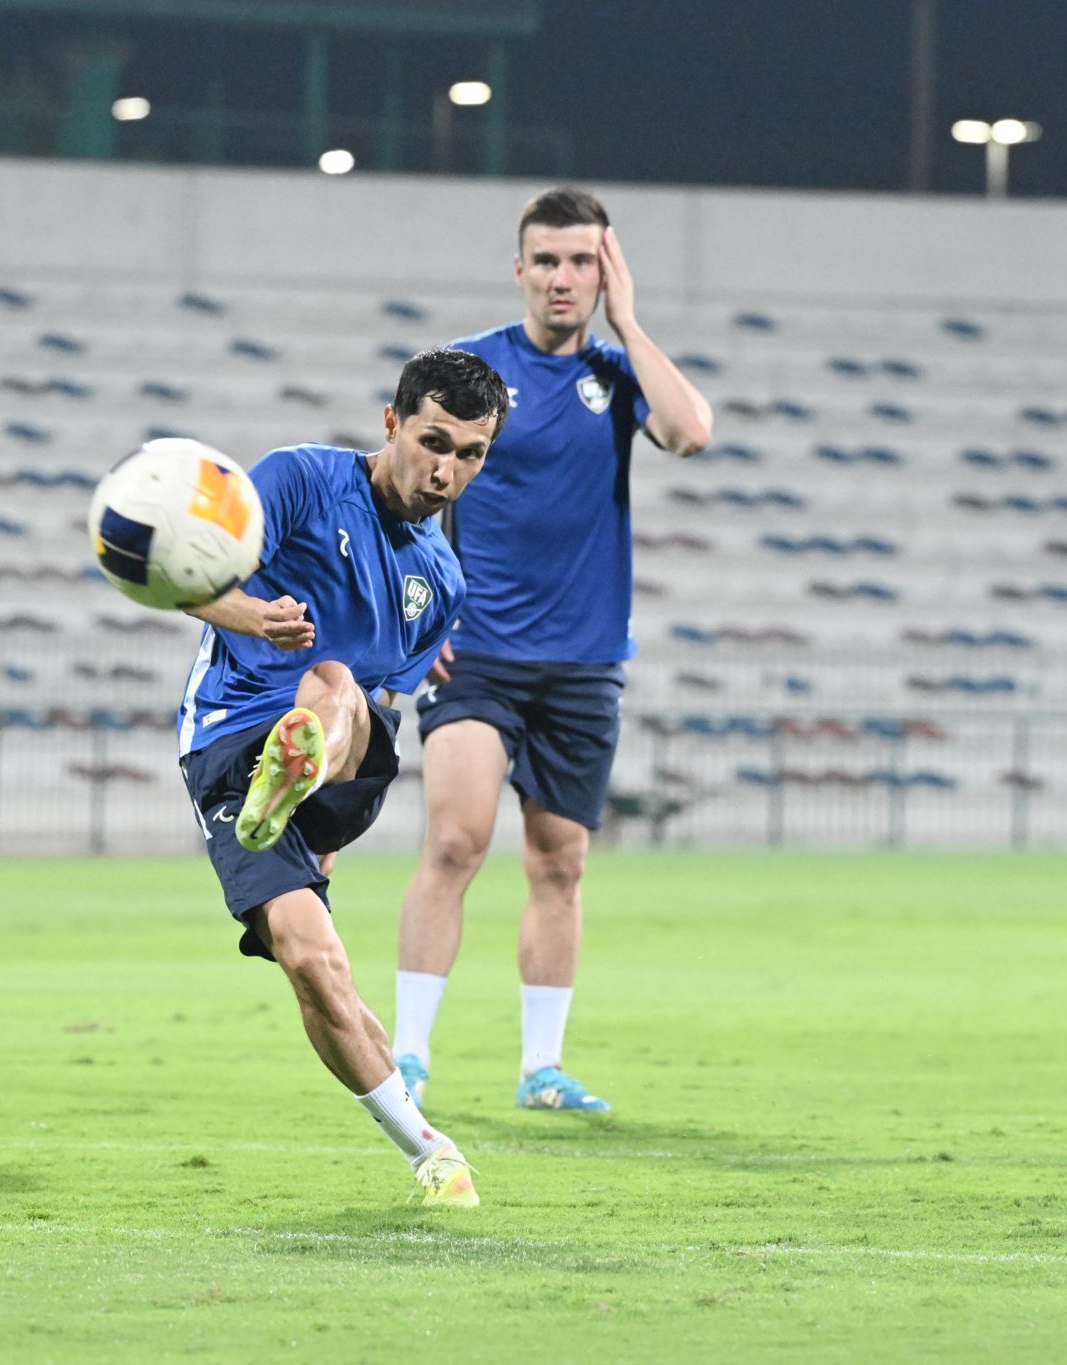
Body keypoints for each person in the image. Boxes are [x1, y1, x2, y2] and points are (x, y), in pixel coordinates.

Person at [394, 187, 713, 1114]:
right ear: (519, 268)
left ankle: (542, 1068)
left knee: (560, 862)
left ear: (605, 272)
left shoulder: (617, 374)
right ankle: (407, 1056)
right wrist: (420, 615)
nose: (562, 277)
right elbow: (404, 487)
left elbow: (691, 432)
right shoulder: (472, 371)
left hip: (584, 661)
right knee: (456, 839)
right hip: (477, 652)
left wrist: (632, 323)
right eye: (547, 260)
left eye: (582, 261)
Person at [169, 348, 508, 1207]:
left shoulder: (442, 581)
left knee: (338, 684)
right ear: (392, 423)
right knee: (315, 963)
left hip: (341, 748)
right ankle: (430, 1149)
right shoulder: (299, 479)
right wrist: (257, 617)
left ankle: (293, 774)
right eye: (434, 442)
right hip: (228, 740)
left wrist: (324, 826)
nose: (447, 471)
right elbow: (185, 579)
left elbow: (385, 698)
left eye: (471, 454)